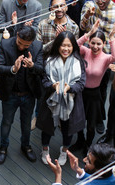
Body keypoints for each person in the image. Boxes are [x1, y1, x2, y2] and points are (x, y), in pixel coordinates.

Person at [0, 26, 44, 164]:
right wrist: (13, 69)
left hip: (28, 94)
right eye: (19, 42)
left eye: (26, 45)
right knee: (6, 122)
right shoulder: (5, 43)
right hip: (10, 94)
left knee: (26, 123)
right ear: (17, 35)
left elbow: (41, 70)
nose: (21, 47)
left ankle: (25, 146)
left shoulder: (38, 46)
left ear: (32, 42)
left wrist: (32, 66)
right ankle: (3, 147)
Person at [80, 0, 115, 143]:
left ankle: (98, 118)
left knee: (101, 91)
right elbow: (82, 26)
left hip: (105, 58)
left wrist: (111, 41)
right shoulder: (89, 5)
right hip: (88, 57)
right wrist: (89, 27)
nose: (100, 1)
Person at [36, 31, 85, 166]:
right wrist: (53, 85)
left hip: (72, 102)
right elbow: (44, 80)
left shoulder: (78, 61)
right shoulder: (49, 60)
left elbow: (81, 83)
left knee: (67, 128)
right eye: (63, 45)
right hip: (51, 100)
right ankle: (45, 149)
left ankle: (64, 150)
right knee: (47, 126)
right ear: (57, 45)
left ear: (73, 46)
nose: (66, 49)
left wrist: (70, 88)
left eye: (69, 46)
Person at [69, 20, 115, 154]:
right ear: (89, 42)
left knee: (91, 125)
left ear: (103, 44)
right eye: (93, 43)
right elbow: (73, 45)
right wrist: (88, 34)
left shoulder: (106, 58)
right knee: (79, 121)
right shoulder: (85, 51)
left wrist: (112, 38)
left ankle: (88, 145)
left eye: (98, 44)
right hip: (81, 92)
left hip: (94, 95)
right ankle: (79, 140)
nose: (95, 46)